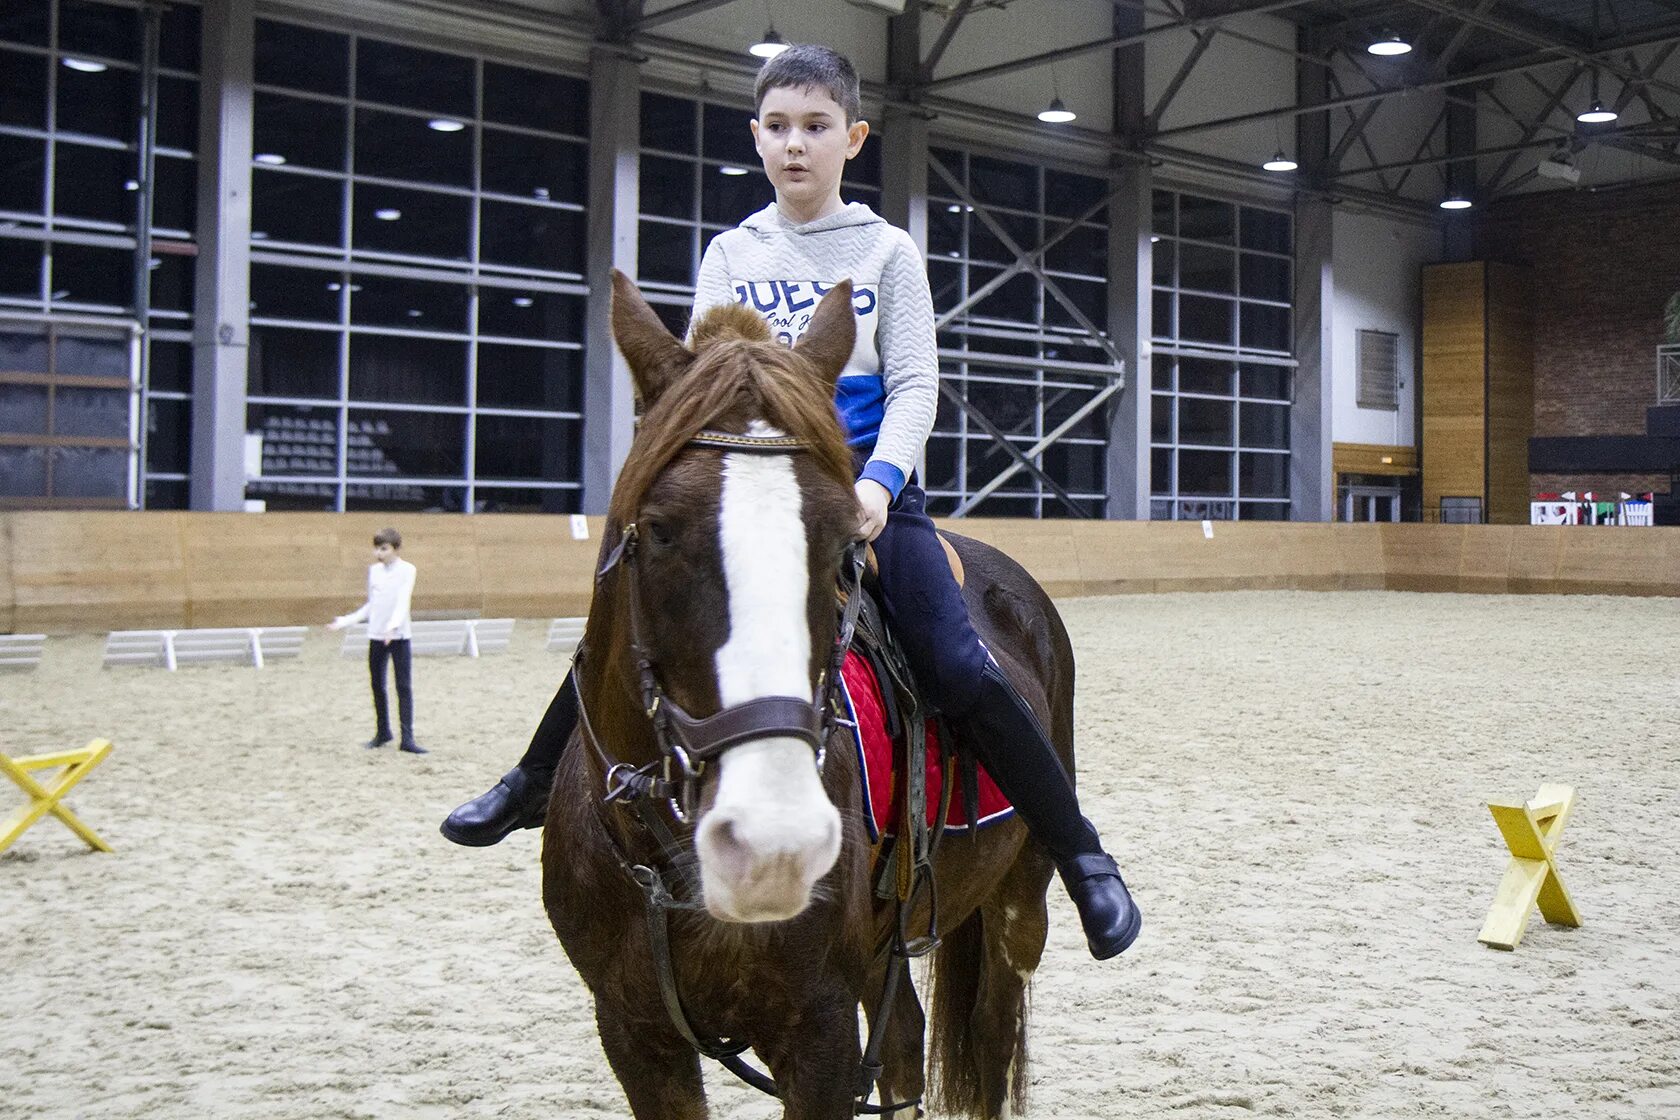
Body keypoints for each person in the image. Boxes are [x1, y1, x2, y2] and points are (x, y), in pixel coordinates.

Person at [443, 45, 1139, 959]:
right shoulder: (733, 250)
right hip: (753, 488)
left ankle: (1079, 853)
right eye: (777, 128)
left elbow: (917, 387)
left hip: (862, 492)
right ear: (757, 139)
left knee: (960, 663)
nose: (795, 145)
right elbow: (699, 384)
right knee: (629, 621)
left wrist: (879, 488)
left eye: (815, 128)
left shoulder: (886, 250)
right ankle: (535, 780)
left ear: (851, 138)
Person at [329, 527, 426, 755]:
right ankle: (383, 731)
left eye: (384, 549)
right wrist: (345, 621)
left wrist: (392, 626)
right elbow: (372, 604)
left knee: (403, 686)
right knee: (377, 684)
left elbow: (403, 602)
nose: (379, 554)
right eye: (377, 549)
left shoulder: (407, 570)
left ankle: (407, 737)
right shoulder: (374, 571)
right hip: (376, 635)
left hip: (398, 636)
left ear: (395, 549)